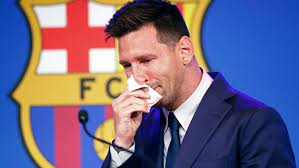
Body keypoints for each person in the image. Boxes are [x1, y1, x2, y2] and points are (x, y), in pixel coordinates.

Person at [101, 0, 296, 167]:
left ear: (184, 51)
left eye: (146, 60)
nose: (136, 77)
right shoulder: (138, 127)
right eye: (127, 65)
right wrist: (123, 145)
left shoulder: (255, 122)